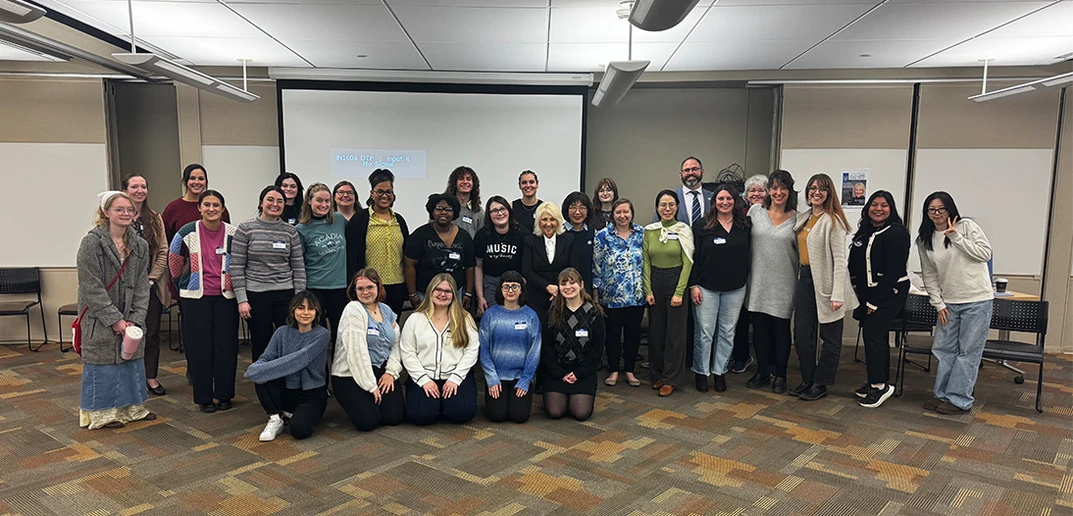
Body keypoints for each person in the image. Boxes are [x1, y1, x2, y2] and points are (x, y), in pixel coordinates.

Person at [76, 191, 154, 429]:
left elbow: (142, 284)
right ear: (106, 213)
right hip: (99, 317)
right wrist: (115, 319)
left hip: (131, 315)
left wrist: (135, 319)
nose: (126, 214)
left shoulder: (139, 245)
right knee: (103, 365)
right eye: (119, 209)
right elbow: (91, 286)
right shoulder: (91, 243)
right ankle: (103, 414)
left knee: (132, 361)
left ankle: (133, 409)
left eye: (130, 210)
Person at [917, 191, 993, 415]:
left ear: (950, 209)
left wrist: (956, 238)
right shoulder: (925, 238)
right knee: (944, 349)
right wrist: (938, 304)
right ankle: (942, 395)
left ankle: (959, 400)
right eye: (932, 210)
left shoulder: (966, 227)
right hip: (949, 303)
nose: (937, 214)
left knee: (967, 351)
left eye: (941, 209)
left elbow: (985, 254)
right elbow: (929, 275)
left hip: (976, 300)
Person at [168, 190, 240, 413]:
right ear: (199, 208)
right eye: (207, 204)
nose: (211, 209)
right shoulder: (186, 232)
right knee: (199, 348)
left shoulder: (233, 233)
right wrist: (184, 283)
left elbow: (241, 263)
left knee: (226, 347)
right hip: (195, 299)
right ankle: (204, 397)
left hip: (226, 298)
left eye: (216, 205)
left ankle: (225, 394)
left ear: (222, 209)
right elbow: (174, 260)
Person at [790, 173, 857, 401]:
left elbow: (840, 261)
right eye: (812, 188)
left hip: (828, 284)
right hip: (805, 279)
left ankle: (821, 383)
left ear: (829, 193)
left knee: (830, 338)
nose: (816, 192)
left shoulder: (833, 221)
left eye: (822, 189)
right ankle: (808, 378)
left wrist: (837, 294)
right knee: (801, 334)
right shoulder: (804, 217)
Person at [848, 190, 910, 409]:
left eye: (884, 205)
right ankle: (878, 381)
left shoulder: (898, 233)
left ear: (891, 209)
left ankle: (879, 386)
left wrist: (875, 302)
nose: (878, 209)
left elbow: (894, 271)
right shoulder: (863, 233)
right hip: (867, 294)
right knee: (876, 338)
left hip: (890, 293)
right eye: (874, 204)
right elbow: (854, 264)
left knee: (873, 335)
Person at [232, 186, 307, 361]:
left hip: (286, 295)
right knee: (261, 344)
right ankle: (264, 384)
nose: (275, 204)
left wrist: (299, 298)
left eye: (280, 201)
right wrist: (242, 300)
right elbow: (236, 266)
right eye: (270, 200)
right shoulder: (245, 229)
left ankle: (284, 385)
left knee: (289, 343)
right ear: (261, 203)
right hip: (257, 296)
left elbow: (298, 267)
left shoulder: (290, 231)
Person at [689, 184, 751, 393]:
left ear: (735, 201)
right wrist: (693, 284)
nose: (725, 203)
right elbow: (693, 257)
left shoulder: (745, 225)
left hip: (735, 288)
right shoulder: (702, 225)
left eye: (729, 199)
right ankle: (701, 372)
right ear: (714, 201)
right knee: (705, 332)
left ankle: (719, 372)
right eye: (720, 199)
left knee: (727, 332)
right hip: (706, 287)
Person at [245, 291, 329, 441]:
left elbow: (299, 360)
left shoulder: (322, 334)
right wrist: (256, 370)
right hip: (287, 389)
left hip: (312, 392)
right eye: (301, 308)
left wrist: (259, 370)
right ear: (293, 310)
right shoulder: (282, 332)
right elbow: (265, 358)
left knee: (299, 430)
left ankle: (290, 415)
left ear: (317, 312)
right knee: (261, 375)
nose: (305, 313)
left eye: (311, 309)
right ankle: (275, 417)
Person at [400, 274, 480, 425]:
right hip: (425, 377)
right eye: (438, 290)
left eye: (448, 291)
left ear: (454, 295)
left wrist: (455, 378)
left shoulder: (465, 319)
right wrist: (423, 380)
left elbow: (472, 350)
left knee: (462, 413)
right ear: (430, 291)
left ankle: (446, 403)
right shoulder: (415, 319)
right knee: (420, 417)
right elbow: (407, 352)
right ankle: (436, 403)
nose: (442, 294)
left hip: (455, 377)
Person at [332, 268, 405, 431]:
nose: (365, 292)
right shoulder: (353, 310)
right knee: (368, 422)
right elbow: (356, 354)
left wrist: (391, 373)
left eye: (370, 287)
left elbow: (396, 343)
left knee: (394, 417)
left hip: (380, 369)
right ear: (354, 290)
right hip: (350, 374)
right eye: (360, 288)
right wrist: (371, 386)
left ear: (378, 287)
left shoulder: (386, 310)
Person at [746, 170, 798, 394]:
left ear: (789, 190)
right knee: (759, 330)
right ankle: (762, 372)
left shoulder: (799, 219)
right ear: (768, 191)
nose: (778, 192)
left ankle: (781, 375)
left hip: (784, 283)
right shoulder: (755, 212)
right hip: (757, 280)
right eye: (774, 188)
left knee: (781, 330)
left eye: (783, 188)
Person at [121, 174, 170, 396]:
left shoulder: (154, 218)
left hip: (149, 287)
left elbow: (162, 251)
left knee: (149, 334)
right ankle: (129, 379)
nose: (139, 190)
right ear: (125, 190)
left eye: (143, 186)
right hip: (123, 289)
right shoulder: (119, 216)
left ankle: (150, 376)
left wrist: (152, 278)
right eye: (134, 186)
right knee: (125, 334)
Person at [644, 190, 694, 397]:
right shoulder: (649, 230)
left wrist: (679, 292)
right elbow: (646, 260)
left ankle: (671, 378)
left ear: (677, 207)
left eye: (671, 205)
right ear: (657, 208)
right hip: (655, 280)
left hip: (676, 281)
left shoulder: (684, 230)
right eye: (663, 205)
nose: (667, 209)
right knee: (656, 332)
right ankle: (657, 375)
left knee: (675, 334)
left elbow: (688, 262)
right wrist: (648, 289)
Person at [593, 198, 645, 388]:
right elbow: (596, 268)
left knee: (633, 334)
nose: (622, 216)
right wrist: (596, 297)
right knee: (613, 335)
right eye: (618, 212)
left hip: (636, 297)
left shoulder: (641, 234)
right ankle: (614, 370)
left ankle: (630, 370)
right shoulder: (603, 236)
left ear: (632, 213)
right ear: (613, 215)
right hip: (611, 297)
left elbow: (646, 264)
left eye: (626, 212)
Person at [541, 268, 604, 421]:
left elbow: (597, 350)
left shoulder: (594, 313)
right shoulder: (553, 311)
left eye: (572, 282)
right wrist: (560, 373)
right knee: (555, 412)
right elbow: (547, 347)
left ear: (581, 285)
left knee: (580, 413)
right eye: (563, 284)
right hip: (557, 372)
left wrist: (578, 374)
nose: (568, 287)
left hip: (583, 372)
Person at [479, 271, 541, 423]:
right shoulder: (490, 315)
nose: (510, 291)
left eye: (515, 286)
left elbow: (535, 351)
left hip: (520, 377)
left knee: (519, 416)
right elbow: (484, 349)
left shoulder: (531, 316)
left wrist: (526, 379)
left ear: (521, 290)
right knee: (497, 416)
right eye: (506, 286)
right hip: (496, 376)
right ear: (500, 289)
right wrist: (492, 378)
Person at [345, 169, 409, 315]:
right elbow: (352, 257)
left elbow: (405, 254)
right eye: (380, 192)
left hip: (397, 286)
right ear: (372, 193)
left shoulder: (399, 220)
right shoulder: (360, 219)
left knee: (392, 329)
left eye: (389, 192)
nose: (385, 196)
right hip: (369, 287)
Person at [404, 193, 476, 310]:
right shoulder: (420, 235)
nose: (443, 212)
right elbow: (409, 265)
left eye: (448, 210)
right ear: (432, 211)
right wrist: (412, 294)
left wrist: (468, 293)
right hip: (425, 294)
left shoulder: (464, 236)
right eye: (439, 209)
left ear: (454, 213)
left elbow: (470, 267)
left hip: (455, 293)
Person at [297, 183, 348, 346]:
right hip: (315, 287)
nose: (324, 205)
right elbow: (300, 260)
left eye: (328, 201)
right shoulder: (301, 229)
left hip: (339, 287)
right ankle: (319, 372)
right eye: (319, 200)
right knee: (317, 336)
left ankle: (338, 372)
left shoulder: (339, 219)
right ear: (309, 201)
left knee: (341, 334)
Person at [730, 174, 770, 374]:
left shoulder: (775, 213)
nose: (756, 194)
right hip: (742, 272)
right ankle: (741, 356)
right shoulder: (739, 214)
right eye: (752, 191)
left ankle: (769, 362)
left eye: (761, 190)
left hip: (766, 273)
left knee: (765, 320)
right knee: (741, 318)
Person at [521, 202, 578, 322]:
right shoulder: (530, 241)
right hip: (536, 298)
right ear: (538, 222)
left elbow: (573, 269)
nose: (548, 224)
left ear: (558, 221)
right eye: (544, 219)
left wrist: (559, 288)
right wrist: (547, 287)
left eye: (552, 219)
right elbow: (527, 271)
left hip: (563, 296)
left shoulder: (569, 239)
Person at [474, 196, 526, 315]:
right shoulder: (481, 236)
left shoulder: (522, 234)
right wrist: (480, 297)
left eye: (503, 209)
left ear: (509, 211)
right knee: (494, 318)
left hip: (516, 283)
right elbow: (478, 267)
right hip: (491, 283)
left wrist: (521, 287)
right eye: (494, 211)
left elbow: (528, 265)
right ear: (489, 214)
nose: (499, 213)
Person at [162, 164, 232, 245]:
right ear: (185, 181)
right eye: (192, 178)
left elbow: (227, 236)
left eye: (201, 179)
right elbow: (164, 242)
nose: (197, 182)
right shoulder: (172, 208)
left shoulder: (217, 208)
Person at [652, 156, 713, 226]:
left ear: (702, 172)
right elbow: (656, 224)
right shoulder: (670, 198)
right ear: (681, 175)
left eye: (694, 169)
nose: (691, 173)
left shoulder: (714, 197)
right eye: (687, 170)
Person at [562, 191, 597, 291]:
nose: (577, 212)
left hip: (587, 288)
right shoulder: (559, 233)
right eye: (573, 207)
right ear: (566, 210)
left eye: (582, 208)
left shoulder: (593, 233)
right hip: (566, 288)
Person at [446, 166, 483, 237]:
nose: (465, 182)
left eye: (468, 179)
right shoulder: (444, 208)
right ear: (455, 183)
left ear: (473, 183)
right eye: (461, 179)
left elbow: (482, 237)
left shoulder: (479, 212)